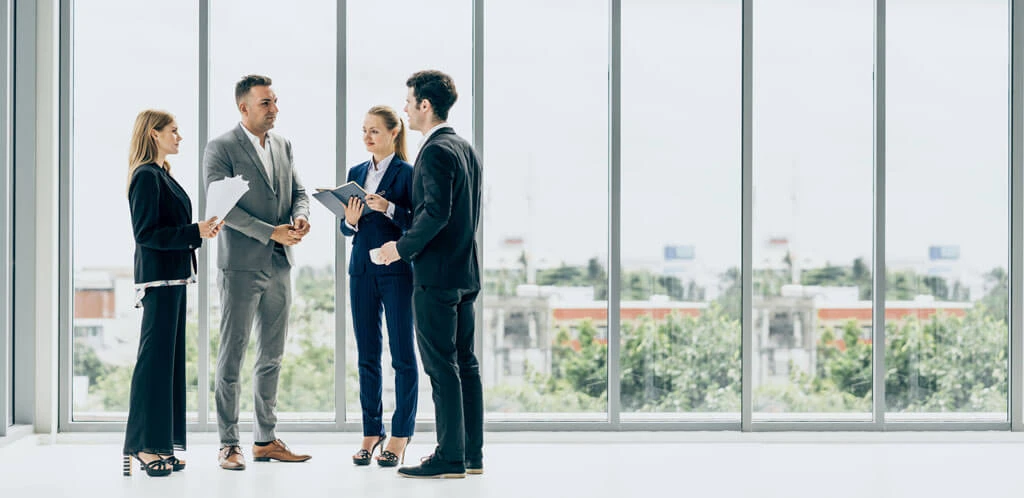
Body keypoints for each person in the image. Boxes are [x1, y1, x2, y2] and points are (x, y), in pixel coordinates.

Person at [378, 70, 484, 479]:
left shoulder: (436, 150)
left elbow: (435, 214)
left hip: (436, 275)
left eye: (408, 101)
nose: (404, 108)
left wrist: (397, 249)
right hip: (465, 273)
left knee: (441, 367)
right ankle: (471, 455)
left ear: (425, 105)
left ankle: (449, 457)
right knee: (464, 364)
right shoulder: (464, 148)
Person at [204, 74, 312, 470]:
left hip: (280, 266)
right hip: (241, 267)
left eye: (275, 101)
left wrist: (300, 218)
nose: (274, 109)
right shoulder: (221, 148)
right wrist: (272, 233)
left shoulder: (283, 145)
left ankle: (265, 439)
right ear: (243, 107)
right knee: (232, 355)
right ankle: (228, 443)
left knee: (272, 356)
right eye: (265, 103)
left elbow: (298, 192)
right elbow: (222, 208)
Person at [123, 109, 223, 477]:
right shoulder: (147, 177)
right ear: (154, 134)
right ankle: (143, 447)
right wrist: (193, 230)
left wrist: (200, 231)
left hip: (175, 279)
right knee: (153, 366)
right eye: (173, 131)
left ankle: (158, 444)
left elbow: (172, 229)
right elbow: (146, 234)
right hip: (159, 282)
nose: (180, 137)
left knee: (166, 367)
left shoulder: (162, 175)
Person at [340, 105, 418, 467]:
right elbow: (346, 227)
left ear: (393, 133)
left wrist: (387, 208)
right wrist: (350, 221)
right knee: (367, 355)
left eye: (374, 130)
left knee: (402, 354)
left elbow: (416, 222)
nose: (367, 136)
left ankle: (401, 435)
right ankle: (372, 432)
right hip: (362, 270)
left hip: (397, 269)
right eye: (364, 130)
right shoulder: (356, 172)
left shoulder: (407, 173)